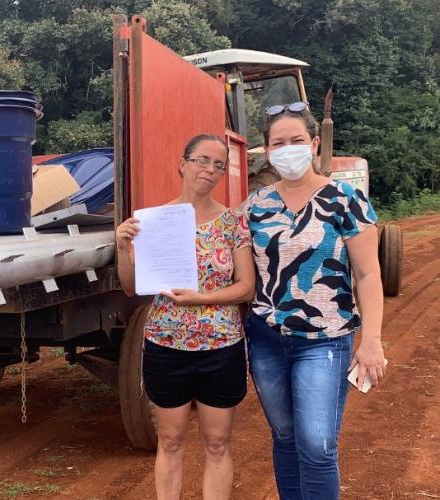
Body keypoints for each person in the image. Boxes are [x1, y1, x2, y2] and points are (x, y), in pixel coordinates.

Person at [243, 102, 386, 499]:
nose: (288, 149)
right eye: (278, 143)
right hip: (267, 339)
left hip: (324, 339)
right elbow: (221, 257)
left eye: (296, 140)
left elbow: (368, 275)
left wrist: (371, 340)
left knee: (318, 446)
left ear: (314, 143)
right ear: (267, 151)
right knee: (285, 438)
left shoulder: (346, 199)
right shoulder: (254, 207)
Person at [116, 134, 256, 500]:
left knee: (217, 442)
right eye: (201, 160)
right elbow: (132, 288)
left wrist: (202, 299)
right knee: (171, 440)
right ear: (183, 164)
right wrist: (121, 247)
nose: (209, 169)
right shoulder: (153, 222)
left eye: (218, 164)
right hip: (166, 345)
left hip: (221, 347)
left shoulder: (233, 223)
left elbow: (246, 288)